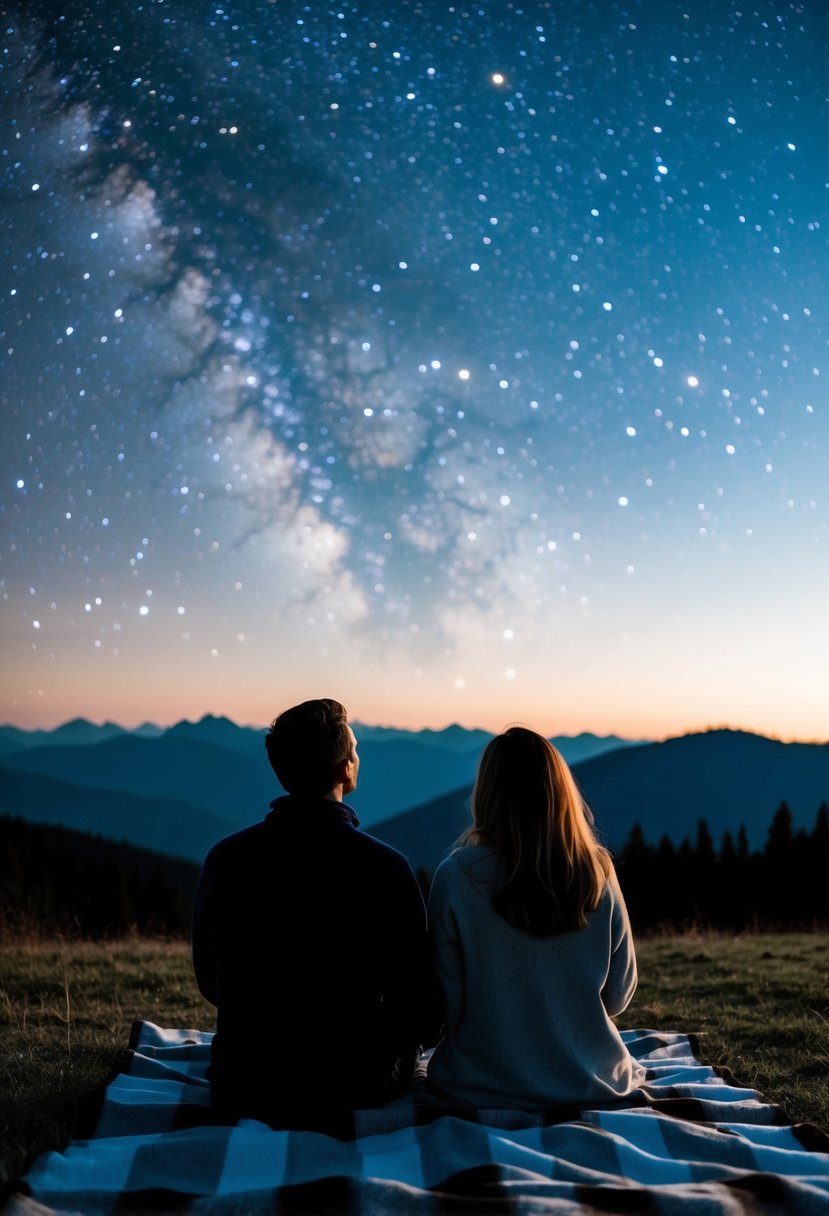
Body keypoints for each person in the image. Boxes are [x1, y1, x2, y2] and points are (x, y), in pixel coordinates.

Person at [192, 697, 430, 1126]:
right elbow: (414, 1001)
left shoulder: (225, 860)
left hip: (243, 1082)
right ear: (344, 768)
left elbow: (211, 982)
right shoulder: (384, 868)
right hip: (354, 1083)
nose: (358, 757)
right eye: (355, 749)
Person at [427, 725, 646, 1108]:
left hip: (479, 1085)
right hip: (589, 1081)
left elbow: (448, 1000)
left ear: (488, 792)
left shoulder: (456, 875)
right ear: (558, 791)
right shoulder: (597, 871)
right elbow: (618, 992)